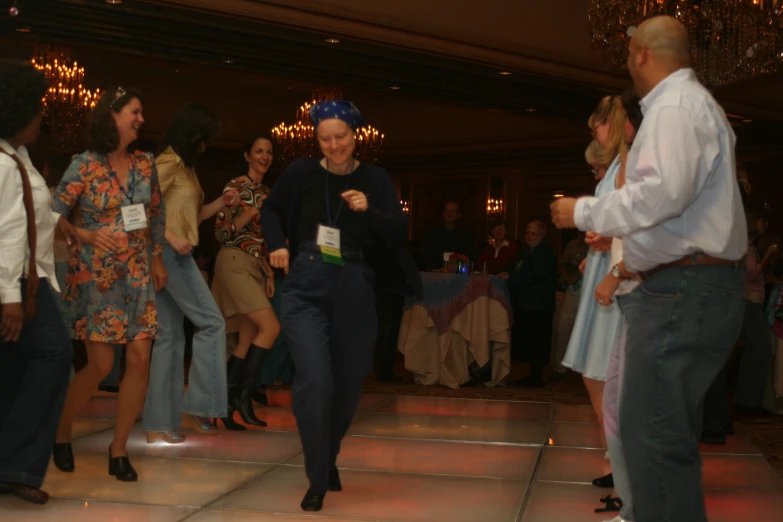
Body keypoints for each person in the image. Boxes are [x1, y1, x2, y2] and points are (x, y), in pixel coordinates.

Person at [551, 16, 747, 522]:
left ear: (640, 53)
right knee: (659, 434)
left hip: (683, 288)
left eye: (627, 56)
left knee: (652, 436)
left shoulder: (676, 106)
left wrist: (583, 211)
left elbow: (661, 195)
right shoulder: (690, 105)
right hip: (689, 284)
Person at [262, 99, 421, 512]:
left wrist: (369, 211)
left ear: (356, 135)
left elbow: (397, 229)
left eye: (341, 137)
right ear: (316, 139)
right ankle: (317, 477)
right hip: (306, 281)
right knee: (315, 381)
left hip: (355, 282)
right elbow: (272, 210)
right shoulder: (300, 173)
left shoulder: (376, 178)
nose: (334, 145)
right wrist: (278, 245)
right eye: (325, 138)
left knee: (348, 385)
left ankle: (326, 455)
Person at [52, 86, 168, 482]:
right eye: (134, 112)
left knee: (139, 361)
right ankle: (61, 433)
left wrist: (156, 258)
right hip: (97, 276)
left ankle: (118, 450)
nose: (141, 119)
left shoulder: (146, 163)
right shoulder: (83, 165)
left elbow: (155, 213)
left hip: (137, 274)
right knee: (100, 365)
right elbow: (52, 215)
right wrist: (82, 235)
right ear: (113, 115)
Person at [0, 59, 80, 505]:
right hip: (18, 283)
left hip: (27, 278)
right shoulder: (3, 161)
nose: (40, 116)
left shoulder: (18, 156)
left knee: (13, 368)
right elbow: (7, 230)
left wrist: (58, 222)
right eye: (35, 107)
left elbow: (24, 209)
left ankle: (10, 464)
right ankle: (18, 463)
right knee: (55, 353)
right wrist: (10, 297)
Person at [142, 104, 237, 443]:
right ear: (192, 135)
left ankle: (160, 423)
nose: (206, 145)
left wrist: (221, 203)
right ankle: (200, 404)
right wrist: (169, 237)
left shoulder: (186, 168)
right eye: (204, 139)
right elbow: (138, 208)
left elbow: (191, 218)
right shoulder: (167, 163)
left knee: (169, 338)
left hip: (170, 252)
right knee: (212, 322)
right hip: (168, 254)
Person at [560, 96, 628, 485]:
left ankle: (620, 461)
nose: (595, 133)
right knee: (596, 372)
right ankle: (615, 456)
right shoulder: (616, 166)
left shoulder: (626, 165)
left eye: (598, 126)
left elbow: (636, 220)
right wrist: (594, 250)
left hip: (616, 275)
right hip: (604, 267)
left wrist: (605, 243)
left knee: (604, 371)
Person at [589, 87, 644, 521]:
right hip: (632, 292)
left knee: (630, 406)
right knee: (617, 405)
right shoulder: (629, 160)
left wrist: (616, 271)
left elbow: (651, 232)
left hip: (644, 291)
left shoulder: (640, 159)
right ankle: (633, 504)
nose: (599, 138)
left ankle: (639, 505)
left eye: (602, 129)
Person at [211, 133, 280, 430]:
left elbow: (260, 242)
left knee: (250, 333)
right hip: (233, 262)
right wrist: (250, 212)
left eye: (269, 152)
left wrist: (267, 271)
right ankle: (241, 396)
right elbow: (221, 233)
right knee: (271, 327)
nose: (264, 157)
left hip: (252, 266)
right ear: (247, 155)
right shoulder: (237, 186)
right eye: (259, 151)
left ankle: (223, 402)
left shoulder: (266, 190)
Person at [501, 220, 558, 387]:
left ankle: (536, 377)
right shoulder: (526, 252)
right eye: (527, 233)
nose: (529, 236)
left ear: (541, 235)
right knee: (529, 341)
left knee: (537, 341)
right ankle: (532, 376)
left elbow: (534, 276)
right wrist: (508, 274)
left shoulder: (545, 253)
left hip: (539, 305)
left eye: (533, 233)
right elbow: (515, 269)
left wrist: (512, 278)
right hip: (527, 304)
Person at [420, 201, 476, 270]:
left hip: (458, 275)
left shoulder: (465, 235)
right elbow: (424, 257)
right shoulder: (431, 234)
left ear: (459, 215)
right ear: (443, 213)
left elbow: (470, 258)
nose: (449, 214)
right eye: (447, 210)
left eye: (453, 211)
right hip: (435, 275)